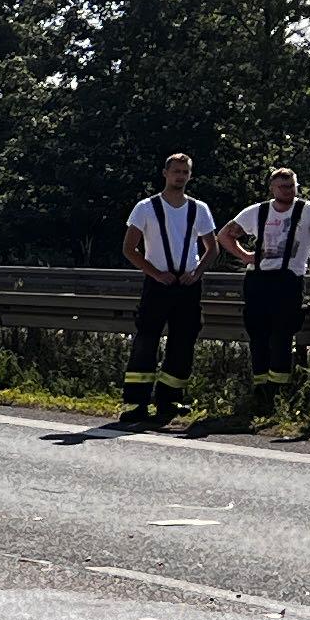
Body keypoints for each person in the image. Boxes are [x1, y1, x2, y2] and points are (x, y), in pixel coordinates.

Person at [214, 165, 310, 423]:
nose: (288, 190)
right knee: (258, 336)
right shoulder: (258, 211)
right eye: (282, 186)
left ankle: (278, 393)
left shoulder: (309, 211)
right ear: (272, 188)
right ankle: (261, 391)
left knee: (282, 336)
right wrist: (246, 256)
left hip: (288, 280)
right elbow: (224, 235)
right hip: (258, 280)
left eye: (291, 186)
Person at [119, 153, 218, 426]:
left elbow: (212, 248)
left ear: (190, 175)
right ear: (165, 173)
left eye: (185, 172)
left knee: (183, 341)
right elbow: (129, 248)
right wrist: (155, 274)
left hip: (187, 285)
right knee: (146, 340)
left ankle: (169, 399)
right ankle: (136, 402)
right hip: (158, 283)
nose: (180, 176)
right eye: (176, 171)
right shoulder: (146, 207)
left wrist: (196, 274)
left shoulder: (199, 209)